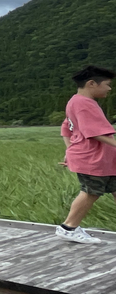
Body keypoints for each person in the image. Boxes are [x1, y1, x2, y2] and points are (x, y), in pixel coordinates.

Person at [58, 64, 116, 243]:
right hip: (92, 158)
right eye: (107, 84)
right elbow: (94, 131)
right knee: (91, 192)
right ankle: (68, 227)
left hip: (101, 159)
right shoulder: (84, 104)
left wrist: (70, 150)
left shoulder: (76, 102)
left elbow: (66, 128)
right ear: (92, 83)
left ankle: (69, 227)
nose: (109, 88)